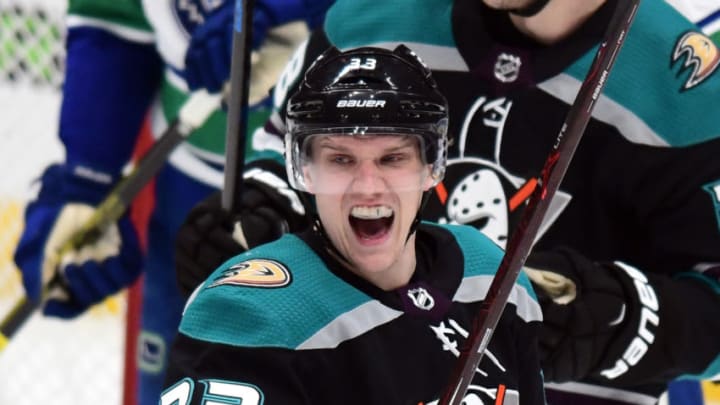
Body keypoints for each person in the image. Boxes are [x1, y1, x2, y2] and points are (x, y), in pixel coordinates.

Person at [174, 0, 720, 403]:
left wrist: (617, 316)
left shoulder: (685, 83)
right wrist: (258, 210)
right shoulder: (371, 20)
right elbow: (285, 159)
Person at [162, 45, 545, 405]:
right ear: (304, 171)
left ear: (431, 167)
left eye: (392, 159)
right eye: (341, 160)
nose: (368, 188)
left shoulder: (492, 275)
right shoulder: (250, 313)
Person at [11, 1, 334, 404]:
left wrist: (308, 10)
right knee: (173, 383)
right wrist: (87, 176)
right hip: (186, 193)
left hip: (332, 195)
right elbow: (114, 19)